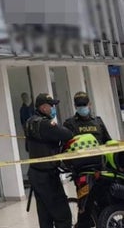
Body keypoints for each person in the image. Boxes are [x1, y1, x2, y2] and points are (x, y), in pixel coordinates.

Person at [25, 93, 74, 228]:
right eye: (51, 105)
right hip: (47, 176)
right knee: (63, 215)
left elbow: (27, 147)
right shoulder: (45, 124)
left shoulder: (30, 122)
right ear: (43, 107)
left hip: (35, 174)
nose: (53, 108)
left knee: (45, 216)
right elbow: (67, 134)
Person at [63, 91, 111, 228]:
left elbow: (108, 141)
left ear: (89, 104)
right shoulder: (69, 124)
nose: (82, 108)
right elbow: (65, 148)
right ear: (75, 106)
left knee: (105, 203)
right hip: (82, 173)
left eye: (84, 105)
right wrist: (71, 167)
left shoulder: (98, 122)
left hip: (101, 169)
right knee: (85, 207)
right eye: (79, 105)